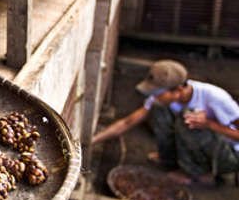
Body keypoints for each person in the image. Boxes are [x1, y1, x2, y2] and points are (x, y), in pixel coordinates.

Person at [92, 59, 239, 185]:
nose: (155, 97)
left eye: (158, 93)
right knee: (159, 109)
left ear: (179, 90)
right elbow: (127, 122)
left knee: (189, 119)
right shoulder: (162, 99)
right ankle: (169, 159)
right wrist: (92, 140)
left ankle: (197, 173)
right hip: (203, 142)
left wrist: (209, 124)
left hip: (229, 154)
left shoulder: (215, 97)